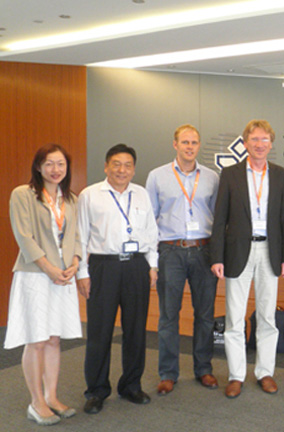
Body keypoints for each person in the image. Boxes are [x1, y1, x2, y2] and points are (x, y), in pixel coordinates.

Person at [210, 119, 284, 398]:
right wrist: (217, 255)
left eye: (264, 140)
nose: (259, 145)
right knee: (235, 318)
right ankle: (236, 375)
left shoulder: (281, 175)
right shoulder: (230, 173)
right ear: (245, 143)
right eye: (254, 140)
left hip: (270, 250)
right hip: (237, 252)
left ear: (271, 144)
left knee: (267, 317)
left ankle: (265, 372)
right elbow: (220, 217)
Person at [76, 144, 159, 414]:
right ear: (106, 166)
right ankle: (97, 390)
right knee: (100, 332)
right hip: (103, 266)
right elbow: (80, 236)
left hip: (136, 266)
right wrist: (83, 273)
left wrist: (152, 266)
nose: (122, 170)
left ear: (134, 169)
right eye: (116, 164)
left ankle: (131, 385)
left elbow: (151, 232)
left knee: (135, 329)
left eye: (127, 165)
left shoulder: (142, 194)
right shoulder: (90, 195)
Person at [5, 144, 82, 425]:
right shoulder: (22, 195)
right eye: (49, 163)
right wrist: (50, 269)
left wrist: (74, 262)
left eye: (60, 163)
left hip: (62, 277)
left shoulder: (70, 199)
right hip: (36, 276)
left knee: (53, 338)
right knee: (36, 339)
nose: (55, 169)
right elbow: (24, 237)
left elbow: (76, 237)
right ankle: (36, 402)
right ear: (38, 166)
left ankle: (52, 396)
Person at [146, 124, 220, 395]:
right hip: (170, 251)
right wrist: (152, 261)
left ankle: (204, 369)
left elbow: (217, 218)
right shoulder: (157, 177)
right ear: (175, 144)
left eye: (194, 142)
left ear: (199, 146)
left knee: (205, 315)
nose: (190, 147)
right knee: (168, 315)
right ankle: (168, 373)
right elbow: (149, 220)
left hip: (203, 251)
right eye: (185, 142)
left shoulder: (212, 177)